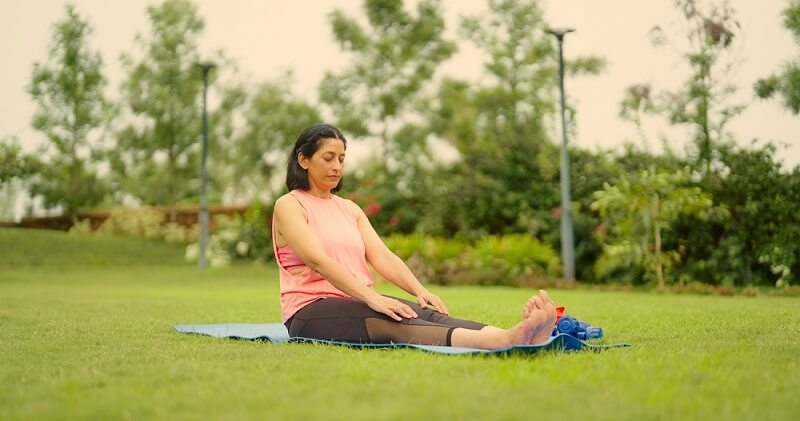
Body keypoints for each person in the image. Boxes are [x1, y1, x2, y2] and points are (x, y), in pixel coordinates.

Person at [271, 123, 558, 349]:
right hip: (310, 311)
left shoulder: (349, 208)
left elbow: (381, 256)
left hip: (356, 300)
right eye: (328, 158)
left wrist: (419, 290)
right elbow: (317, 260)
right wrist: (372, 297)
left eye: (342, 159)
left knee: (426, 315)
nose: (336, 166)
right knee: (395, 323)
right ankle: (504, 341)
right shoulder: (290, 205)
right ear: (303, 159)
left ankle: (522, 334)